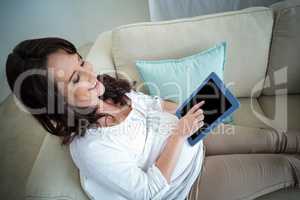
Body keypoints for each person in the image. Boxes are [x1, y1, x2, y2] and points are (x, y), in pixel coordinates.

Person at [6, 38, 206, 200]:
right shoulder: (91, 148)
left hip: (195, 138)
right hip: (186, 183)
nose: (91, 74)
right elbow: (148, 192)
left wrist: (190, 111)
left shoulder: (104, 91)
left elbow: (156, 105)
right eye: (76, 79)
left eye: (81, 61)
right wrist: (179, 135)